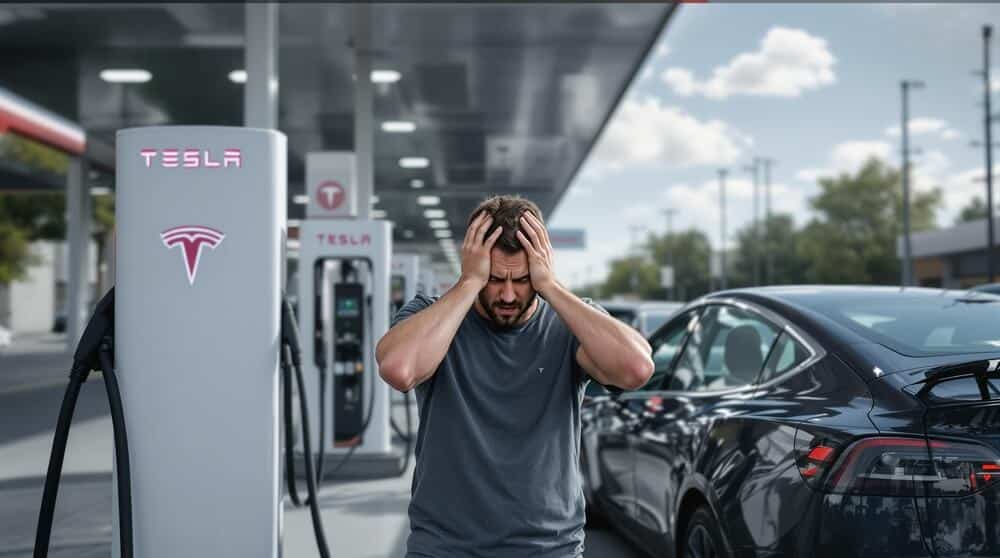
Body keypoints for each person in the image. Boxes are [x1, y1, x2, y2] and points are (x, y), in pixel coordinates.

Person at [376, 195, 654, 558]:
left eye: (522, 279)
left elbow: (636, 369)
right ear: (473, 264)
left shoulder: (568, 327)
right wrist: (467, 283)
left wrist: (551, 286)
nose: (507, 294)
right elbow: (399, 369)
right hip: (444, 548)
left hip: (548, 548)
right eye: (493, 279)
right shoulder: (430, 316)